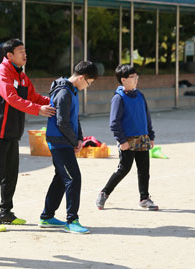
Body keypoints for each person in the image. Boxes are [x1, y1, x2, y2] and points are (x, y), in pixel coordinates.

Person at [0, 38, 56, 232]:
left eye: (25, 50)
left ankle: (6, 212)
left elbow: (34, 97)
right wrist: (38, 109)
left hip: (13, 133)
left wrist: (55, 100)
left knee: (10, 175)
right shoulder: (2, 73)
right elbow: (12, 98)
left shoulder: (22, 76)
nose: (25, 54)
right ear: (9, 55)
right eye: (20, 51)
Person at [39, 61, 98, 234]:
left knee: (61, 177)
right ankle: (72, 220)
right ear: (81, 78)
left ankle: (47, 216)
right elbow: (61, 122)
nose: (88, 86)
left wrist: (79, 138)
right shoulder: (64, 92)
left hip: (66, 141)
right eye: (88, 83)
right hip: (59, 142)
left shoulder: (72, 91)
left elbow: (74, 118)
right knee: (74, 178)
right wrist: (73, 142)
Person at [95, 64, 159, 211]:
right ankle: (104, 193)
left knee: (144, 169)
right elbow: (114, 123)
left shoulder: (140, 95)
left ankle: (144, 198)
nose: (136, 79)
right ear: (123, 80)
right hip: (127, 141)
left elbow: (146, 117)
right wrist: (122, 141)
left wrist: (151, 135)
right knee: (124, 168)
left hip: (143, 138)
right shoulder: (118, 98)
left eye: (136, 76)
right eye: (132, 77)